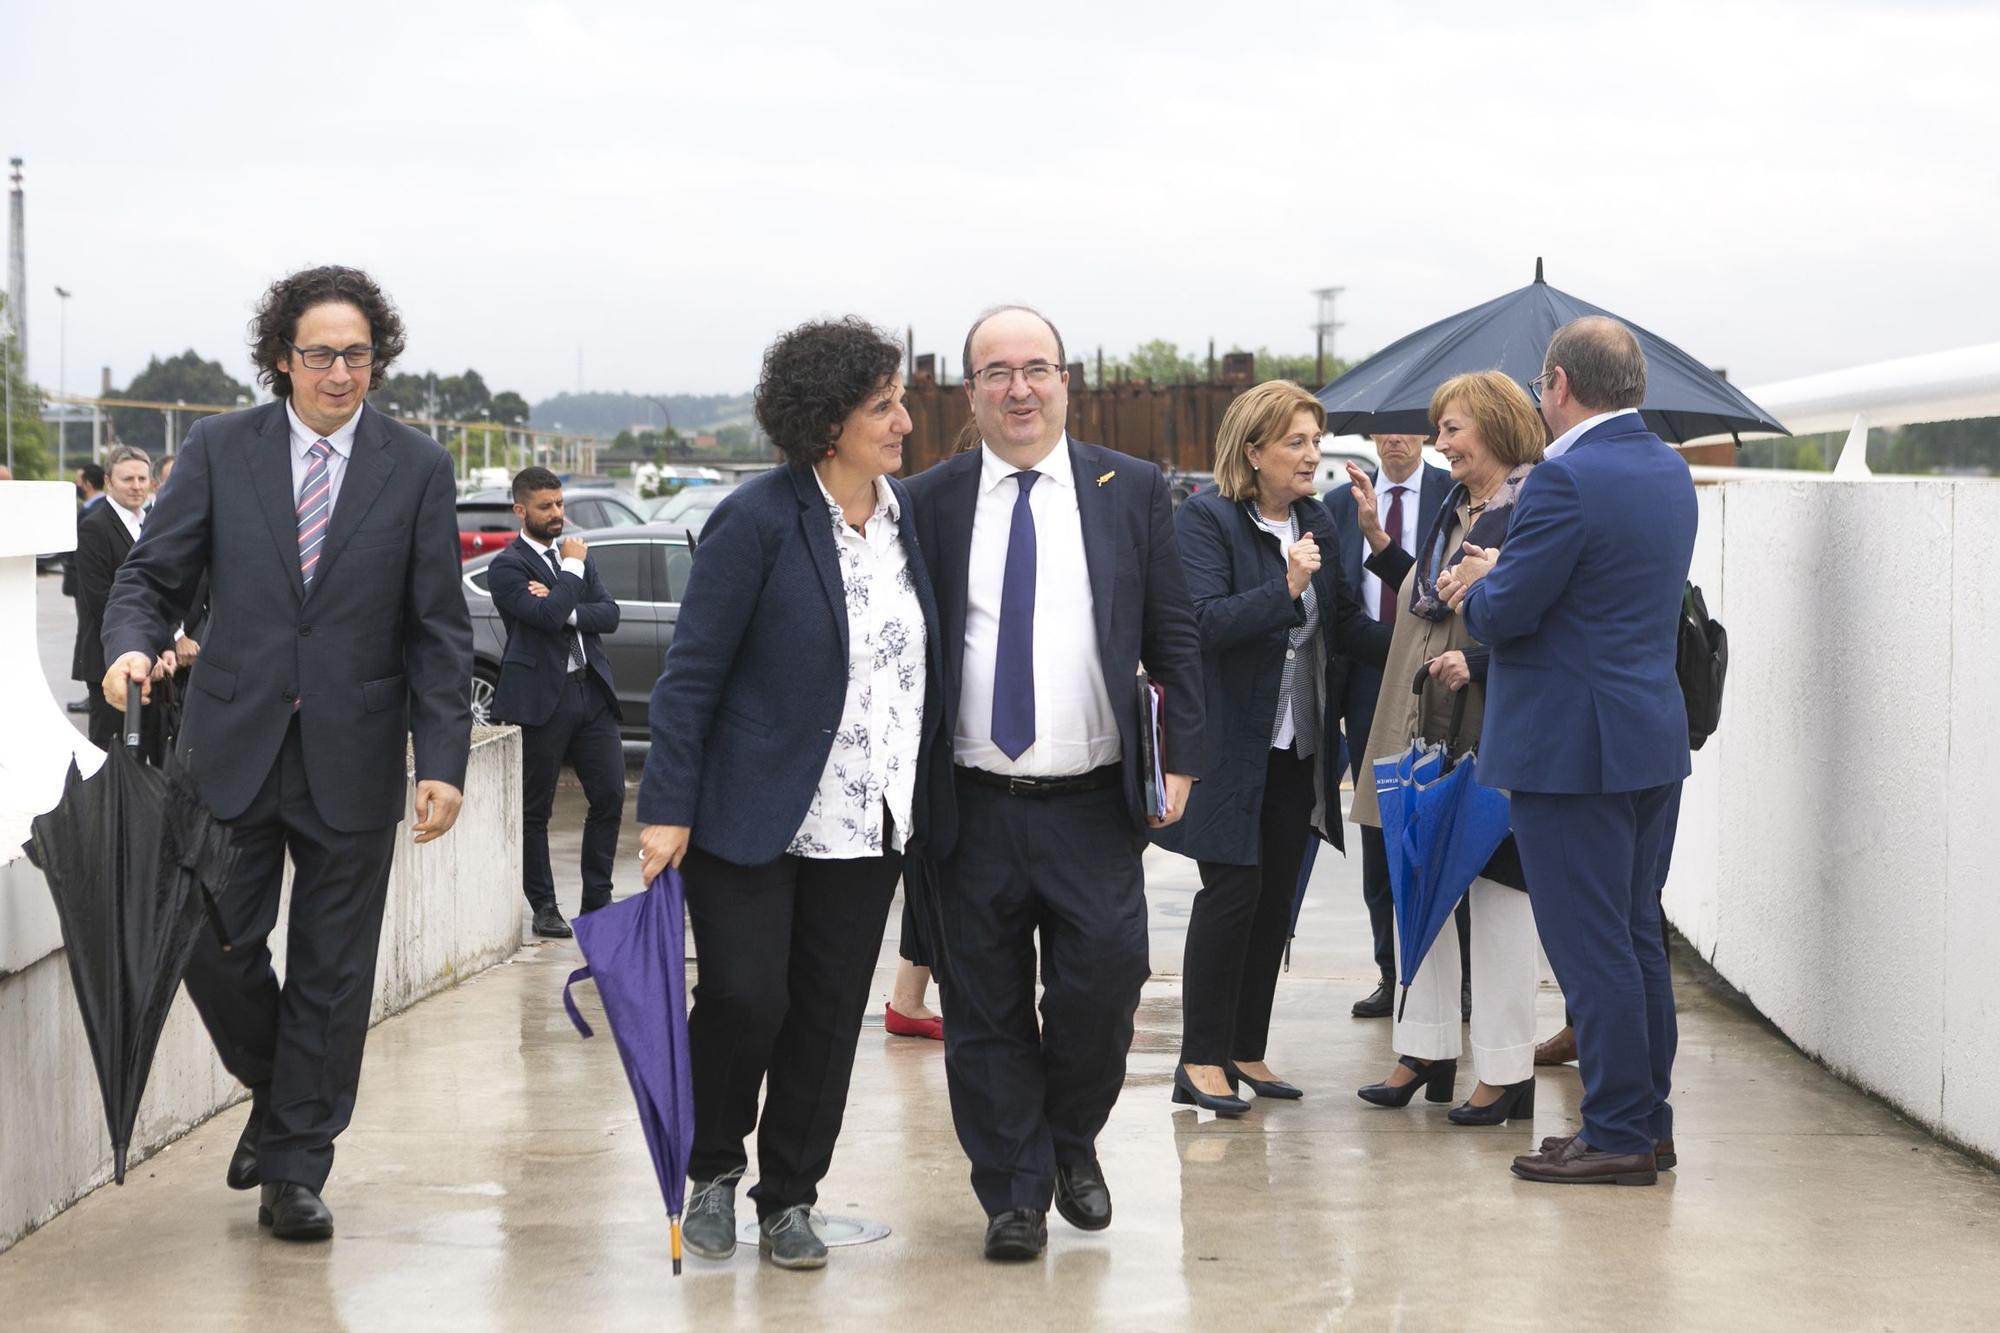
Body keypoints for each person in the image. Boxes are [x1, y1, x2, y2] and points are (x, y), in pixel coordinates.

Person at [101, 264, 472, 1240]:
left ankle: (296, 1169)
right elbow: (152, 574)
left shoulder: (418, 468)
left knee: (331, 972)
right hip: (229, 745)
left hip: (353, 754)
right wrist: (130, 643)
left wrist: (441, 756)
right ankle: (279, 1090)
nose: (339, 371)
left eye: (356, 353)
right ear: (282, 358)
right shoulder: (223, 450)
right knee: (202, 938)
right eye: (320, 353)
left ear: (375, 360)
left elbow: (438, 628)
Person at [636, 317, 942, 1272]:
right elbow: (691, 673)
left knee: (823, 1014)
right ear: (826, 425)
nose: (903, 422)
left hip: (872, 818)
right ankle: (714, 1168)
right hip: (752, 815)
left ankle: (791, 1195)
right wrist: (665, 806)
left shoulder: (908, 521)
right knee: (744, 993)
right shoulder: (758, 519)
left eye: (899, 401)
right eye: (881, 406)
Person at [902, 305, 1204, 1262]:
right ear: (971, 391)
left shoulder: (1134, 490)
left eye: (1037, 368)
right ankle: (1017, 1193)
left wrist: (1183, 756)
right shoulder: (929, 502)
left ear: (1067, 381)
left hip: (1092, 804)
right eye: (998, 372)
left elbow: (1175, 632)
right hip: (970, 806)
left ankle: (1069, 1135)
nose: (1019, 388)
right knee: (982, 1015)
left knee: (1104, 989)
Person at [1441, 317, 1696, 1185]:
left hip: (1570, 750)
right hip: (1649, 735)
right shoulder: (1667, 467)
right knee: (1634, 939)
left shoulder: (1564, 480)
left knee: (1593, 950)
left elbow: (1510, 612)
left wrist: (1479, 586)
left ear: (1557, 385)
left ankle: (1619, 1131)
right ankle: (1645, 1122)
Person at [1162, 380, 1390, 1114]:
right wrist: (1285, 587)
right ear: (1253, 450)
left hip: (1300, 748)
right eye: (1296, 441)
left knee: (1271, 904)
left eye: (1315, 442)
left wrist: (1428, 628)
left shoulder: (1316, 516)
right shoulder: (1207, 520)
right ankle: (1199, 1058)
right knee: (1230, 894)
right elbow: (1198, 623)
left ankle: (1245, 1047)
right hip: (1229, 747)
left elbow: (1348, 626)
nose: (1310, 455)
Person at [1347, 372, 1547, 1125]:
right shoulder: (1453, 509)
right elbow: (1431, 595)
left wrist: (1483, 664)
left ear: (1494, 425)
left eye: (1452, 428)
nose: (1440, 444)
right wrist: (1378, 544)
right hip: (1423, 719)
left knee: (1499, 899)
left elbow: (1551, 621)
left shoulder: (1534, 508)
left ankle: (1505, 1070)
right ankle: (1424, 1046)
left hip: (1496, 724)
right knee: (1418, 879)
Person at [1322, 433, 1450, 1018]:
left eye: (1408, 428)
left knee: (1440, 820)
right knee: (1379, 827)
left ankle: (1455, 979)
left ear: (1425, 435)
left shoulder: (1455, 497)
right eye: (1384, 430)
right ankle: (1389, 971)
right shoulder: (1337, 504)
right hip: (1369, 681)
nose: (1394, 439)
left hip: (1443, 677)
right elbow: (1336, 603)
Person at [486, 466, 625, 940]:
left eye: (560, 504)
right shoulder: (507, 566)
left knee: (609, 796)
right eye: (546, 507)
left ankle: (597, 903)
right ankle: (544, 906)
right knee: (535, 809)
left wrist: (564, 603)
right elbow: (541, 618)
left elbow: (609, 615)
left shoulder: (576, 554)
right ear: (521, 510)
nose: (557, 514)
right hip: (542, 699)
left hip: (591, 691)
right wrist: (569, 574)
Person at [73, 446, 167, 758]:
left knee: (151, 757)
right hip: (108, 660)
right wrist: (144, 648)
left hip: (156, 663)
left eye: (142, 478)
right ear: (109, 482)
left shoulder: (156, 522)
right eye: (127, 479)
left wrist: (166, 644)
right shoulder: (94, 527)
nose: (137, 485)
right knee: (111, 756)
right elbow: (100, 601)